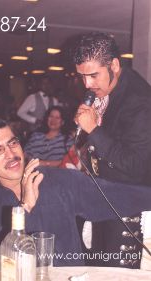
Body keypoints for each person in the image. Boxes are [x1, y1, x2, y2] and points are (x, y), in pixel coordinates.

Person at [0, 119, 151, 273]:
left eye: (13, 143)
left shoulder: (56, 180)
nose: (11, 154)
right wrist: (25, 208)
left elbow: (115, 196)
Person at [72, 32, 151, 267]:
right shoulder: (109, 89)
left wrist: (94, 130)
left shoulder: (140, 103)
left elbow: (135, 165)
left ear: (114, 65)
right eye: (82, 76)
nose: (87, 84)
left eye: (93, 75)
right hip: (107, 197)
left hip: (130, 206)